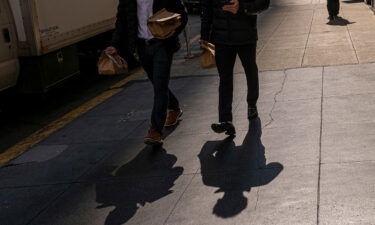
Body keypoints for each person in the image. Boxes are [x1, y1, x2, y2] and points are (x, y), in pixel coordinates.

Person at [106, 0, 188, 145]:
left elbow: (182, 15)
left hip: (162, 45)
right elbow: (122, 21)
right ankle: (174, 107)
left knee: (160, 85)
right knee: (157, 83)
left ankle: (155, 130)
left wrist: (173, 32)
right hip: (142, 47)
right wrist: (114, 45)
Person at [200, 0, 270, 136]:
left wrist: (242, 7)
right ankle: (226, 120)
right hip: (221, 38)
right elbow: (207, 8)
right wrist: (204, 35)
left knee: (250, 70)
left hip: (245, 35)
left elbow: (263, 3)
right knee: (224, 78)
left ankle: (252, 104)